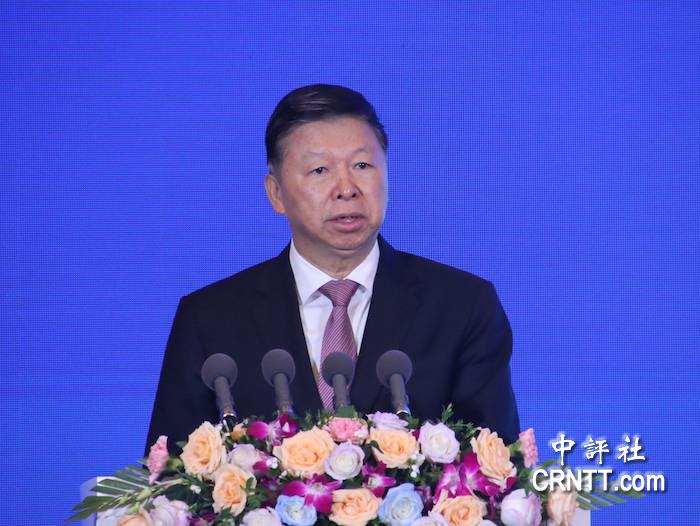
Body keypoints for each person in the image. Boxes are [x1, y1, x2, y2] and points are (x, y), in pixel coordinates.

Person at [146, 84, 519, 453]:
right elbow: (169, 475)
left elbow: (497, 466)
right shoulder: (210, 319)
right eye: (320, 170)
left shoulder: (462, 306)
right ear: (276, 193)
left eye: (362, 165)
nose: (346, 188)